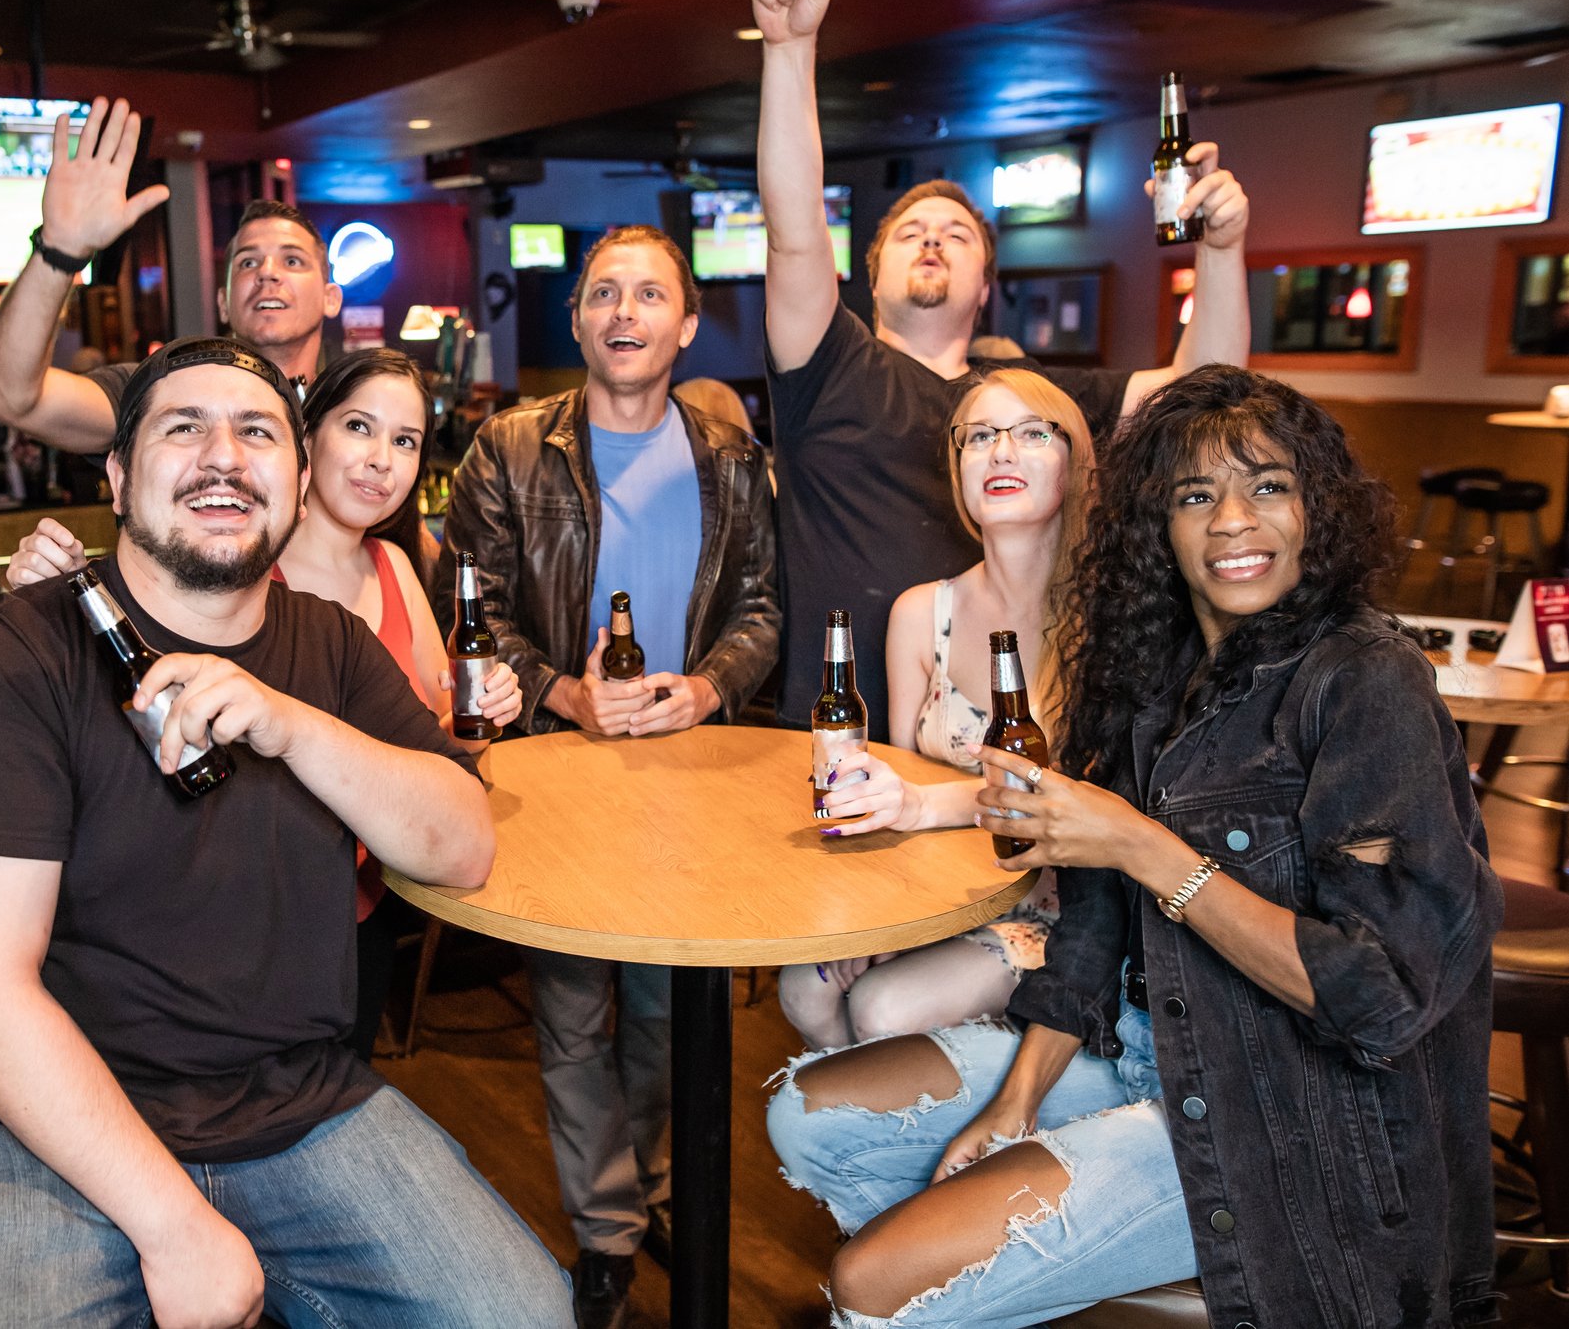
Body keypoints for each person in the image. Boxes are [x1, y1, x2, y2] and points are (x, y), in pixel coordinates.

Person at [765, 364, 1502, 1329]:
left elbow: (1379, 997)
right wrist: (1015, 1099)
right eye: (1196, 495)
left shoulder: (1363, 678)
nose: (1233, 520)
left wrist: (1144, 847)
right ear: (1155, 525)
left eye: (1268, 485)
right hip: (1141, 1046)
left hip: (1278, 1108)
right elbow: (1093, 932)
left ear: (1316, 509)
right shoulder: (1152, 671)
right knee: (808, 1121)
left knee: (870, 1282)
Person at [0, 337, 571, 1329]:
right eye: (183, 428)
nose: (225, 456)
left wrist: (290, 723)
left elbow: (461, 844)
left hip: (293, 1106)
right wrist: (175, 1224)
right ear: (115, 477)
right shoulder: (9, 657)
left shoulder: (329, 644)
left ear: (295, 477)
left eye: (257, 433)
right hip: (18, 1128)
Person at [750, 0, 1251, 735]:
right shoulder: (828, 366)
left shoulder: (1025, 406)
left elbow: (1207, 394)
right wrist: (787, 49)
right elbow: (793, 221)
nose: (932, 240)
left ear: (985, 287)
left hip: (998, 737)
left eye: (956, 236)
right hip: (838, 736)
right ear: (867, 278)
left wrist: (1221, 252)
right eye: (909, 232)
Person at [440, 224, 780, 1329]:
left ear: (686, 325)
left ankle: (650, 1192)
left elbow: (764, 609)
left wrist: (708, 686)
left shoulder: (733, 457)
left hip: (692, 774)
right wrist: (563, 692)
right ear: (579, 320)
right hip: (555, 772)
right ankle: (604, 1232)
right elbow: (474, 609)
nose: (623, 312)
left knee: (668, 1008)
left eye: (648, 295)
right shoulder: (509, 446)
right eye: (601, 294)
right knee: (573, 1012)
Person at [779, 368, 1093, 1049]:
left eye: (1030, 433)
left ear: (1077, 461)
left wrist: (925, 807)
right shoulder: (921, 612)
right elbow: (903, 786)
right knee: (804, 987)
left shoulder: (1112, 619)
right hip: (942, 887)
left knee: (886, 1008)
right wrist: (888, 917)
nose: (1000, 452)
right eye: (978, 436)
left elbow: (1070, 799)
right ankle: (854, 1149)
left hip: (1066, 907)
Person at [276, 347, 522, 1060]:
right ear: (309, 434)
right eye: (359, 427)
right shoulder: (249, 573)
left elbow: (442, 747)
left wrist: (484, 716)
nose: (380, 459)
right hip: (278, 908)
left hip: (374, 898)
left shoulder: (392, 568)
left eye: (404, 441)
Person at [0, 96, 340, 459]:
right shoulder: (162, 393)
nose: (267, 274)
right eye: (247, 263)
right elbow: (4, 397)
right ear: (223, 303)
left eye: (292, 261)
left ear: (331, 298)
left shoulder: (359, 413)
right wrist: (60, 251)